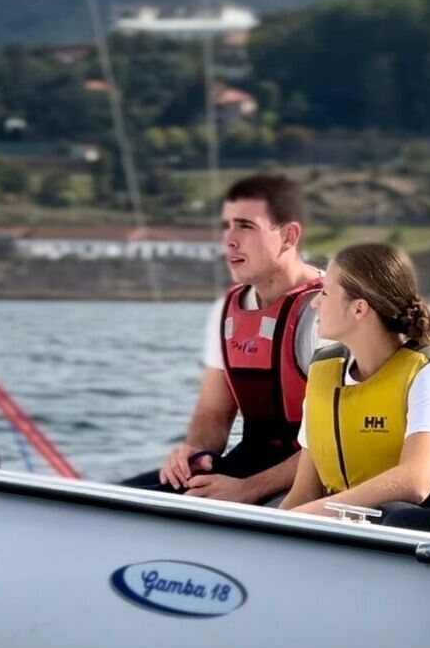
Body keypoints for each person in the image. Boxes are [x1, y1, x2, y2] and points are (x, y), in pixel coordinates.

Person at [123, 173, 323, 503]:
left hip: (314, 479)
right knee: (125, 499)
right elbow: (213, 413)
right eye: (226, 226)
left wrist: (248, 490)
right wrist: (195, 455)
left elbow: (341, 439)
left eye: (245, 226)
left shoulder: (329, 311)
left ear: (288, 236)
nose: (229, 241)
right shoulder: (225, 310)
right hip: (248, 465)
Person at [283, 242, 430, 525]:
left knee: (395, 517)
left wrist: (320, 512)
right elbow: (302, 494)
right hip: (339, 532)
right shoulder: (322, 372)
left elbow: (416, 481)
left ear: (358, 309)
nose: (314, 303)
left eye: (325, 293)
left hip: (414, 537)